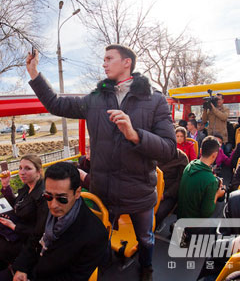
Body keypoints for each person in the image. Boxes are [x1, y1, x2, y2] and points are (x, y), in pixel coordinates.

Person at [25, 45, 176, 280]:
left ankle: (146, 268)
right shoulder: (95, 100)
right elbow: (56, 104)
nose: (103, 63)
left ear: (127, 62)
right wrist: (35, 74)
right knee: (99, 236)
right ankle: (106, 266)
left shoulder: (154, 100)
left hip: (139, 192)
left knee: (145, 238)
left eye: (109, 58)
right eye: (103, 59)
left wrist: (134, 134)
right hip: (102, 190)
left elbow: (169, 149)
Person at [12, 162, 108, 281]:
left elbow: (75, 276)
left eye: (62, 199)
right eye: (48, 196)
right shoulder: (46, 210)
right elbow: (34, 238)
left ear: (77, 193)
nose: (53, 205)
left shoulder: (95, 235)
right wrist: (22, 268)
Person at [0, 155, 48, 275]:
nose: (22, 172)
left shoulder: (43, 196)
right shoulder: (28, 187)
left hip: (30, 243)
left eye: (27, 168)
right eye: (20, 168)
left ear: (39, 172)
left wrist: (13, 227)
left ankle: (3, 273)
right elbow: (18, 205)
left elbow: (39, 233)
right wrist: (6, 186)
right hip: (20, 231)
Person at [177, 136, 226, 219]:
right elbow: (206, 213)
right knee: (221, 207)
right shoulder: (211, 180)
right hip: (193, 224)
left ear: (200, 151)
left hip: (180, 216)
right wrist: (217, 194)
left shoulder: (190, 165)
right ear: (215, 155)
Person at [155, 149, 189, 228]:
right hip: (151, 189)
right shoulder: (153, 152)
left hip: (168, 192)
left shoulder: (181, 158)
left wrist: (165, 194)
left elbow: (180, 181)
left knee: (158, 213)